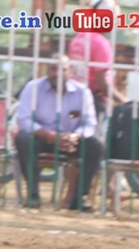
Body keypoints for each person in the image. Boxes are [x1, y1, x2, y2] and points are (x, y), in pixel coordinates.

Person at [15, 55, 103, 211]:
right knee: (23, 139)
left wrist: (74, 136)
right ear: (47, 70)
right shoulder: (33, 87)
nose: (57, 73)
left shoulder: (82, 92)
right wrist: (51, 136)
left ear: (71, 72)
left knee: (95, 146)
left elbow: (90, 123)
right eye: (53, 69)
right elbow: (24, 120)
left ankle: (78, 198)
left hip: (70, 140)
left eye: (62, 70)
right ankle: (33, 195)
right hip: (42, 138)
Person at [68, 0, 128, 119]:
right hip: (94, 102)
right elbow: (101, 83)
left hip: (73, 98)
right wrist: (124, 100)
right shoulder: (101, 43)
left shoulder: (78, 38)